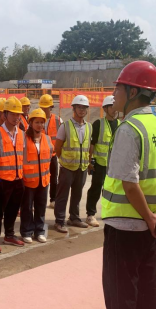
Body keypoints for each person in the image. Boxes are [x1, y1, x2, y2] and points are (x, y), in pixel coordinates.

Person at [75, 61, 156, 309]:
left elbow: (129, 184)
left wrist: (150, 217)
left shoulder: (129, 130)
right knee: (147, 282)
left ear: (133, 92)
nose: (114, 94)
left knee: (121, 288)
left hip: (126, 224)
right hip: (150, 224)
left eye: (118, 88)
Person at [0, 97, 26, 254]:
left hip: (18, 179)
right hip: (2, 180)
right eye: (13, 114)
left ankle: (9, 235)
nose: (17, 117)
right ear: (5, 114)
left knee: (13, 210)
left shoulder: (22, 133)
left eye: (18, 114)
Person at [54, 95, 93, 233]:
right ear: (74, 108)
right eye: (79, 107)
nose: (82, 110)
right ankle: (59, 221)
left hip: (82, 167)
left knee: (77, 194)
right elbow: (57, 148)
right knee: (62, 195)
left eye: (84, 107)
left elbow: (89, 147)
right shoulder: (65, 126)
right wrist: (64, 160)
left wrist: (88, 162)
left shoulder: (89, 127)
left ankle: (74, 218)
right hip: (67, 168)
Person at [85, 96, 120, 227]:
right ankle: (90, 214)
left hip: (114, 165)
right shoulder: (98, 124)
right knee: (96, 188)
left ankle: (108, 212)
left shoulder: (120, 124)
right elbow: (92, 144)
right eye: (111, 107)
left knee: (111, 190)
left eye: (115, 107)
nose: (114, 110)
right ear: (105, 108)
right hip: (100, 163)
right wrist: (89, 162)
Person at [20, 109, 53, 244]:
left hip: (43, 180)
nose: (40, 125)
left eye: (42, 122)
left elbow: (50, 157)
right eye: (37, 122)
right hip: (28, 180)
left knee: (41, 207)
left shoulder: (47, 138)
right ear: (31, 123)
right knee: (27, 208)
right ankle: (26, 231)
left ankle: (40, 231)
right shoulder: (24, 139)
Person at [39, 94, 62, 209]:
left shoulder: (58, 120)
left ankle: (53, 199)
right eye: (42, 107)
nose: (44, 110)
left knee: (53, 179)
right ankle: (40, 200)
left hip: (53, 155)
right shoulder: (37, 119)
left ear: (51, 107)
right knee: (42, 179)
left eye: (46, 107)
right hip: (41, 156)